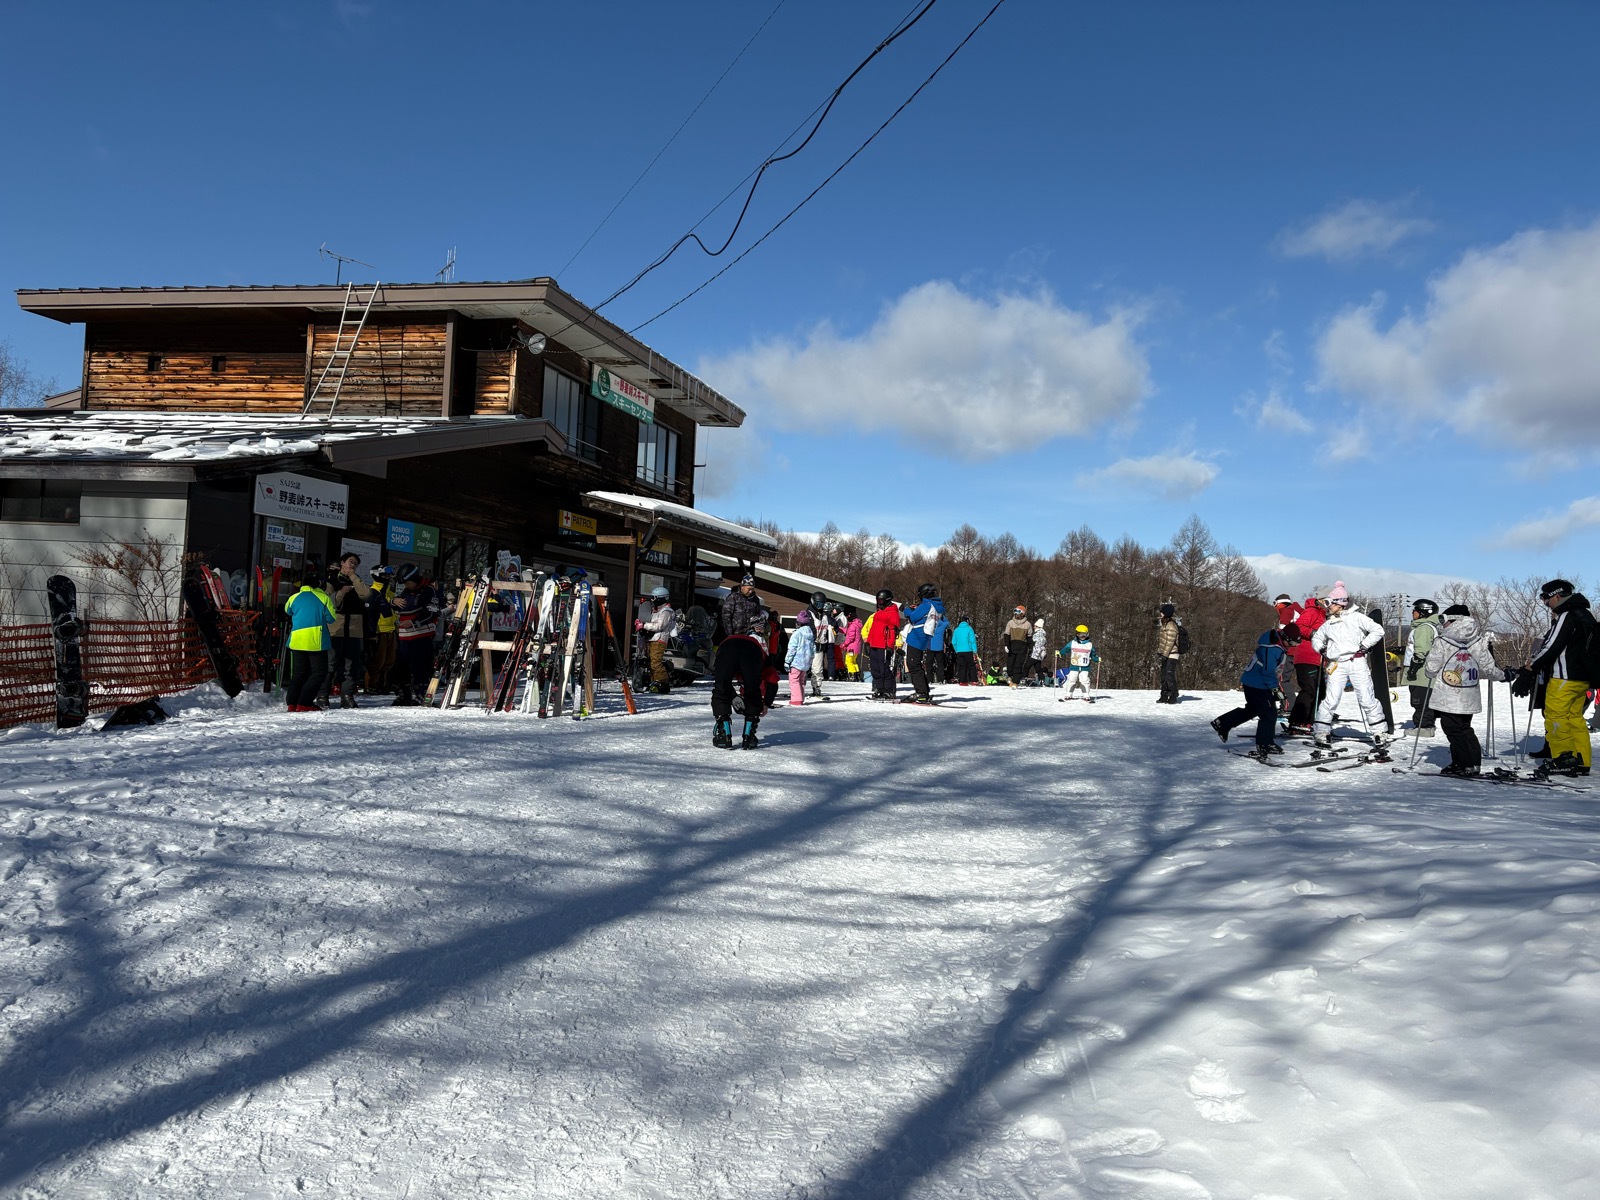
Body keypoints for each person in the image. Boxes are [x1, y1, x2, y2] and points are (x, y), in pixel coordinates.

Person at [1511, 579, 1595, 777]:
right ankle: (1581, 760)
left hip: (1563, 677)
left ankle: (1563, 759)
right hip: (1582, 678)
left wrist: (1529, 668)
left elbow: (1551, 646)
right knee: (1574, 718)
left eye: (1546, 598)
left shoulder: (1567, 615)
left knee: (1555, 716)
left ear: (1557, 595)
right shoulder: (1586, 615)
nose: (1545, 603)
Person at [1424, 604, 1517, 777]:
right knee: (1465, 728)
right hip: (1469, 693)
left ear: (1454, 620)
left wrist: (1427, 669)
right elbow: (1489, 668)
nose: (1442, 624)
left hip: (1447, 695)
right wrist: (1504, 676)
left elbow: (1431, 668)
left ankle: (1462, 764)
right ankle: (1473, 763)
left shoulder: (1442, 641)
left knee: (1452, 729)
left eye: (1444, 620)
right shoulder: (1478, 641)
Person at [1310, 581, 1389, 749]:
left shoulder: (1357, 617)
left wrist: (1364, 645)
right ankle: (1321, 731)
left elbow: (1378, 630)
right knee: (1331, 699)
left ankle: (1379, 731)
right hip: (1337, 664)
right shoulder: (1329, 623)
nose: (1327, 607)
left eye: (1329, 603)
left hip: (1357, 661)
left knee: (1366, 698)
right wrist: (1322, 649)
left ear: (1339, 603)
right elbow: (1316, 638)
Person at [711, 574, 769, 748]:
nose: (750, 590)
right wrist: (730, 635)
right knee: (722, 684)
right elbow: (725, 617)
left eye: (752, 588)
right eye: (747, 587)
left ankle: (749, 732)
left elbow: (759, 618)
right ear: (741, 586)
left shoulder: (755, 601)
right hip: (732, 639)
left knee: (752, 685)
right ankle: (725, 729)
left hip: (750, 641)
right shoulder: (732, 598)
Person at [1210, 628, 1287, 754]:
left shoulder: (1272, 646)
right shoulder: (1272, 649)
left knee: (1254, 709)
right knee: (1268, 713)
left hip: (1253, 683)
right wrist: (1275, 689)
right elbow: (1268, 672)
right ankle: (1265, 744)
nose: (1295, 646)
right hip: (1258, 685)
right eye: (1294, 643)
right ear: (1285, 639)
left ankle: (1223, 723)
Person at [283, 569, 335, 712]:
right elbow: (331, 618)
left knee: (299, 672)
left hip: (296, 639)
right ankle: (304, 702)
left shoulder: (294, 597)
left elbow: (288, 611)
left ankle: (292, 703)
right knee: (319, 672)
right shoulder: (323, 597)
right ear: (319, 584)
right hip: (315, 640)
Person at [390, 564, 441, 705]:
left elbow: (431, 612)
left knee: (420, 666)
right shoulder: (406, 592)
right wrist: (394, 601)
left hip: (421, 635)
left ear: (414, 579)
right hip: (405, 637)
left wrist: (413, 623)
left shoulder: (428, 591)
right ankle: (404, 694)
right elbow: (395, 604)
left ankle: (421, 694)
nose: (407, 585)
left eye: (408, 582)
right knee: (402, 666)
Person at [328, 552, 366, 709]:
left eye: (356, 564)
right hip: (336, 628)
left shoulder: (357, 580)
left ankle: (347, 695)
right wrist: (341, 593)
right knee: (331, 663)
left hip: (354, 628)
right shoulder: (331, 580)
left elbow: (366, 594)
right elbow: (328, 602)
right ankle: (323, 695)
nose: (353, 566)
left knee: (352, 664)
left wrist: (354, 578)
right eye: (350, 562)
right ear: (342, 562)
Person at [1402, 599, 1443, 737]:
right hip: (1424, 670)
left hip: (1420, 671)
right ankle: (1426, 725)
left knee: (1420, 699)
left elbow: (1422, 651)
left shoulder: (1423, 628)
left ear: (1423, 612)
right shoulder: (1427, 627)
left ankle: (1424, 727)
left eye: (1415, 611)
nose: (1412, 613)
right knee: (1424, 698)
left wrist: (1413, 668)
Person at [901, 582, 946, 704]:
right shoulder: (937, 606)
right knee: (917, 665)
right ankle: (924, 691)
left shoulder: (926, 605)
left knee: (913, 665)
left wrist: (907, 609)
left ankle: (921, 693)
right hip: (925, 637)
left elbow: (913, 617)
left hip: (917, 637)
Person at [640, 585, 677, 694]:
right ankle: (655, 682)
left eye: (654, 598)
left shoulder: (666, 612)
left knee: (655, 662)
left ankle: (663, 683)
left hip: (659, 640)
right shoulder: (657, 611)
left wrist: (644, 625)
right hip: (652, 638)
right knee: (651, 662)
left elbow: (658, 626)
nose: (652, 600)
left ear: (661, 598)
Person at [365, 566, 397, 693]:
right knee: (377, 661)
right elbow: (370, 614)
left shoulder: (389, 591)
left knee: (389, 661)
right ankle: (371, 685)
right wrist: (372, 632)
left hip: (391, 629)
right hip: (380, 630)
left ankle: (382, 685)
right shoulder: (372, 592)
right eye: (384, 576)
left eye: (388, 576)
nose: (387, 578)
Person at [866, 589, 902, 700]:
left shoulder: (892, 612)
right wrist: (868, 642)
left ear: (887, 600)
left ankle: (889, 691)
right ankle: (879, 690)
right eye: (878, 601)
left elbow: (893, 630)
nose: (879, 603)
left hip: (884, 645)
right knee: (875, 669)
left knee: (884, 669)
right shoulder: (879, 612)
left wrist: (890, 646)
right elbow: (873, 628)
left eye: (881, 601)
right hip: (874, 643)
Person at [1059, 625, 1098, 702]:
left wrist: (1096, 659)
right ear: (1077, 634)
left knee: (1084, 680)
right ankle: (1068, 693)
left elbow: (1093, 654)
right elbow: (1066, 649)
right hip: (1074, 665)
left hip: (1085, 666)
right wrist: (1060, 653)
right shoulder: (1073, 643)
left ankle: (1086, 694)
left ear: (1087, 634)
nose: (1082, 636)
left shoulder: (1089, 644)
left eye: (1084, 634)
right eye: (1080, 634)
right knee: (1071, 679)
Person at [785, 609, 815, 705]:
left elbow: (792, 649)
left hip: (796, 662)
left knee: (794, 680)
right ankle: (801, 698)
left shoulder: (797, 634)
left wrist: (787, 661)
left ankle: (796, 700)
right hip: (806, 662)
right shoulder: (810, 634)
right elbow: (813, 649)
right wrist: (810, 661)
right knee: (801, 681)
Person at [1156, 603, 1182, 703]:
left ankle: (1173, 695)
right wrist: (1160, 651)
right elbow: (1163, 641)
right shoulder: (1165, 623)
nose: (1160, 613)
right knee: (1163, 675)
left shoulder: (1171, 625)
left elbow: (1170, 641)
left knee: (1169, 675)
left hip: (1172, 654)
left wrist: (1165, 654)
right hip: (1166, 653)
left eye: (1162, 612)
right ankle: (1164, 695)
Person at [1003, 606, 1032, 688]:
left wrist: (1031, 648)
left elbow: (1029, 637)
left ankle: (1015, 682)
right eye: (1015, 612)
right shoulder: (1010, 623)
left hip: (1022, 647)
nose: (1016, 614)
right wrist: (1006, 645)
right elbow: (1006, 634)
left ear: (1022, 613)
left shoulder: (1027, 624)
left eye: (1018, 612)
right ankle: (1011, 678)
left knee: (1018, 666)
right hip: (1012, 646)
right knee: (1010, 666)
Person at [952, 616, 979, 684]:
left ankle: (962, 681)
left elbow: (953, 642)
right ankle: (973, 680)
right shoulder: (969, 629)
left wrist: (957, 650)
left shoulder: (956, 630)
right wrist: (975, 650)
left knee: (962, 666)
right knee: (971, 665)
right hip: (968, 650)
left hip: (959, 651)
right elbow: (972, 640)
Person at [842, 607, 863, 681]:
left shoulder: (853, 626)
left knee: (848, 661)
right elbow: (849, 632)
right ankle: (857, 675)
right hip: (856, 648)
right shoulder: (858, 625)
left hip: (851, 648)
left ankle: (852, 676)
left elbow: (850, 637)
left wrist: (844, 644)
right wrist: (841, 629)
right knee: (854, 662)